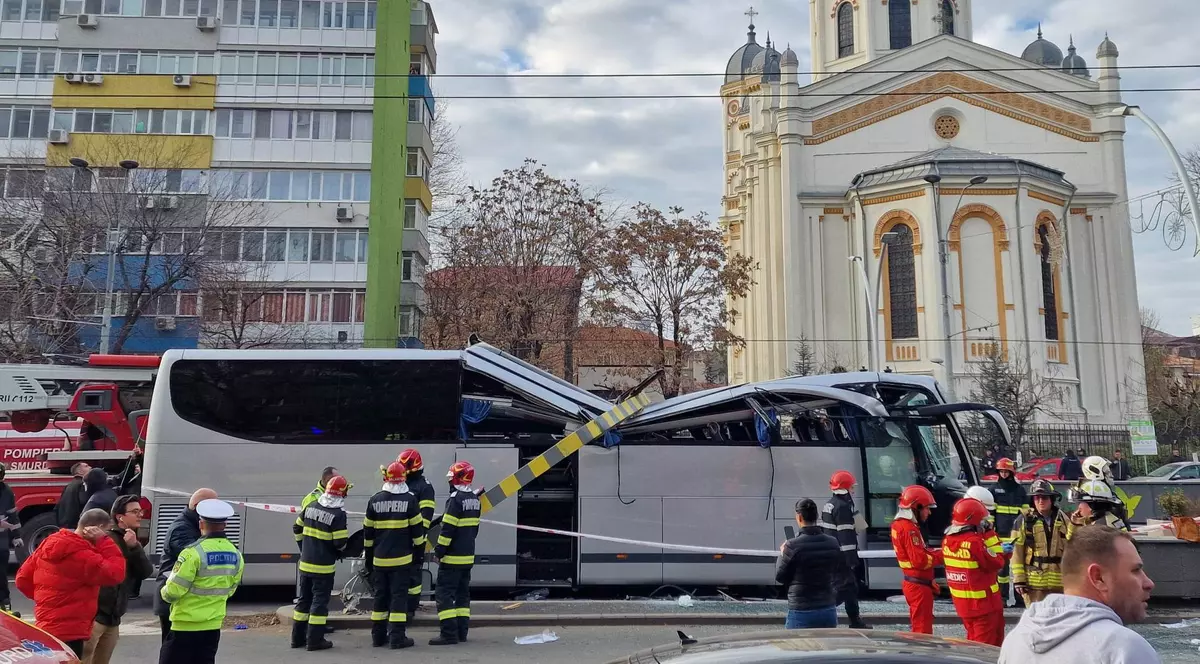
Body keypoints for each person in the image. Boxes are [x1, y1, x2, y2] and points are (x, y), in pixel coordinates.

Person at [999, 526, 1159, 664]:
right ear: (1098, 578)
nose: (1148, 583)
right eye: (1136, 570)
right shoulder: (1124, 648)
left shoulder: (1015, 641)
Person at [15, 508, 126, 658]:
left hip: (46, 625)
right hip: (72, 631)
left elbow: (22, 580)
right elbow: (116, 574)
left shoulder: (49, 543)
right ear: (97, 528)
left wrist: (47, 600)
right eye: (105, 532)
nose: (106, 535)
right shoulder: (82, 554)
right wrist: (105, 542)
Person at [158, 499, 244, 664]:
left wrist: (164, 592)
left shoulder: (192, 553)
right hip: (212, 625)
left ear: (200, 524)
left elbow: (173, 591)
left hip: (184, 626)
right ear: (224, 525)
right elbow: (231, 589)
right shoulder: (236, 554)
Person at [86, 495, 154, 664]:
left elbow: (145, 571)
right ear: (120, 517)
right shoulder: (107, 539)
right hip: (96, 616)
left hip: (113, 618)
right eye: (135, 511)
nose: (140, 515)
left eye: (141, 511)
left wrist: (135, 546)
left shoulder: (130, 539)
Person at [363, 461, 422, 649]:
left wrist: (369, 559)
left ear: (386, 478)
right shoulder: (410, 500)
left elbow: (368, 534)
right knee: (398, 598)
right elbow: (418, 534)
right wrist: (418, 555)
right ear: (403, 478)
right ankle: (397, 638)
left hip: (379, 560)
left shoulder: (375, 500)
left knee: (380, 597)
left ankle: (377, 637)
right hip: (402, 561)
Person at [292, 475, 350, 651]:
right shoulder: (338, 514)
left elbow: (296, 528)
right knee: (319, 602)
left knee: (303, 601)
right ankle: (315, 641)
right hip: (323, 567)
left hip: (305, 564)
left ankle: (297, 639)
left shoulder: (311, 506)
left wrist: (304, 548)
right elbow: (340, 543)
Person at [943, 497, 1010, 647]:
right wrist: (989, 534)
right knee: (985, 649)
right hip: (984, 607)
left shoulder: (947, 540)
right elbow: (997, 562)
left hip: (965, 606)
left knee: (972, 646)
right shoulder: (974, 542)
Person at [154, 488, 216, 642]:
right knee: (174, 652)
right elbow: (197, 558)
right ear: (197, 506)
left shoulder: (194, 525)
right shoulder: (181, 529)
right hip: (173, 600)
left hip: (185, 602)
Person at [429, 461, 481, 646]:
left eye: (451, 478)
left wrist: (439, 551)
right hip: (467, 557)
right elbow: (474, 530)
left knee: (444, 595)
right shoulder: (474, 500)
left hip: (451, 558)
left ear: (458, 478)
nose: (449, 481)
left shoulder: (455, 500)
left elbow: (447, 529)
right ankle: (461, 632)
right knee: (462, 596)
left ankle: (448, 634)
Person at [778, 498, 848, 629]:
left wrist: (783, 553)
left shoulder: (792, 545)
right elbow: (840, 573)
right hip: (827, 608)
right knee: (826, 648)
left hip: (801, 609)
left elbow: (780, 577)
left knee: (797, 647)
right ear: (816, 516)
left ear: (799, 517)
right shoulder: (833, 542)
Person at [889, 485, 942, 634]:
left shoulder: (899, 525)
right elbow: (920, 560)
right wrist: (943, 556)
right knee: (922, 631)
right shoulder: (909, 529)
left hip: (915, 583)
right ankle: (923, 656)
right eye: (927, 508)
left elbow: (919, 554)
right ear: (916, 507)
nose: (929, 512)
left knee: (918, 625)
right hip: (918, 587)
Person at [820, 470, 869, 629]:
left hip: (834, 553)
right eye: (851, 487)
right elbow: (846, 535)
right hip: (842, 557)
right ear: (845, 488)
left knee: (850, 588)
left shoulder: (831, 503)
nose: (854, 490)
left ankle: (855, 621)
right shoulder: (842, 507)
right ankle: (821, 611)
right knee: (844, 589)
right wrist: (851, 560)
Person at [1011, 479, 1070, 604]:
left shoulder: (1065, 519)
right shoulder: (1024, 520)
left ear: (1052, 499)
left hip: (1059, 585)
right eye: (1037, 498)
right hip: (1033, 585)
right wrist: (1019, 579)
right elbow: (1017, 552)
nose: (1040, 501)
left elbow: (1073, 549)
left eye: (1044, 497)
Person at [398, 449, 436, 621]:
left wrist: (417, 540)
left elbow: (425, 518)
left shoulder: (424, 487)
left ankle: (410, 609)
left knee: (413, 575)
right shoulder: (402, 483)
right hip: (399, 539)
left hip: (414, 540)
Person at [991, 458, 1027, 605]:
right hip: (1001, 534)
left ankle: (1020, 599)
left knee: (1020, 567)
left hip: (1018, 534)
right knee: (1002, 570)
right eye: (1002, 471)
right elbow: (990, 513)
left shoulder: (1020, 490)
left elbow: (1026, 512)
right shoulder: (993, 490)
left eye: (1006, 471)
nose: (1004, 474)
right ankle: (1002, 598)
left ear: (1011, 472)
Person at [0, 464, 22, 615]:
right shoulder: (5, 490)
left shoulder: (6, 491)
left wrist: (16, 536)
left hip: (1, 541)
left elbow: (12, 515)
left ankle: (5, 604)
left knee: (1, 574)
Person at [56, 462, 92, 529]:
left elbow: (58, 505)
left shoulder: (69, 485)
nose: (90, 467)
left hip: (65, 523)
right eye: (86, 466)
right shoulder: (83, 484)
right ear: (79, 471)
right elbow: (84, 502)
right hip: (75, 524)